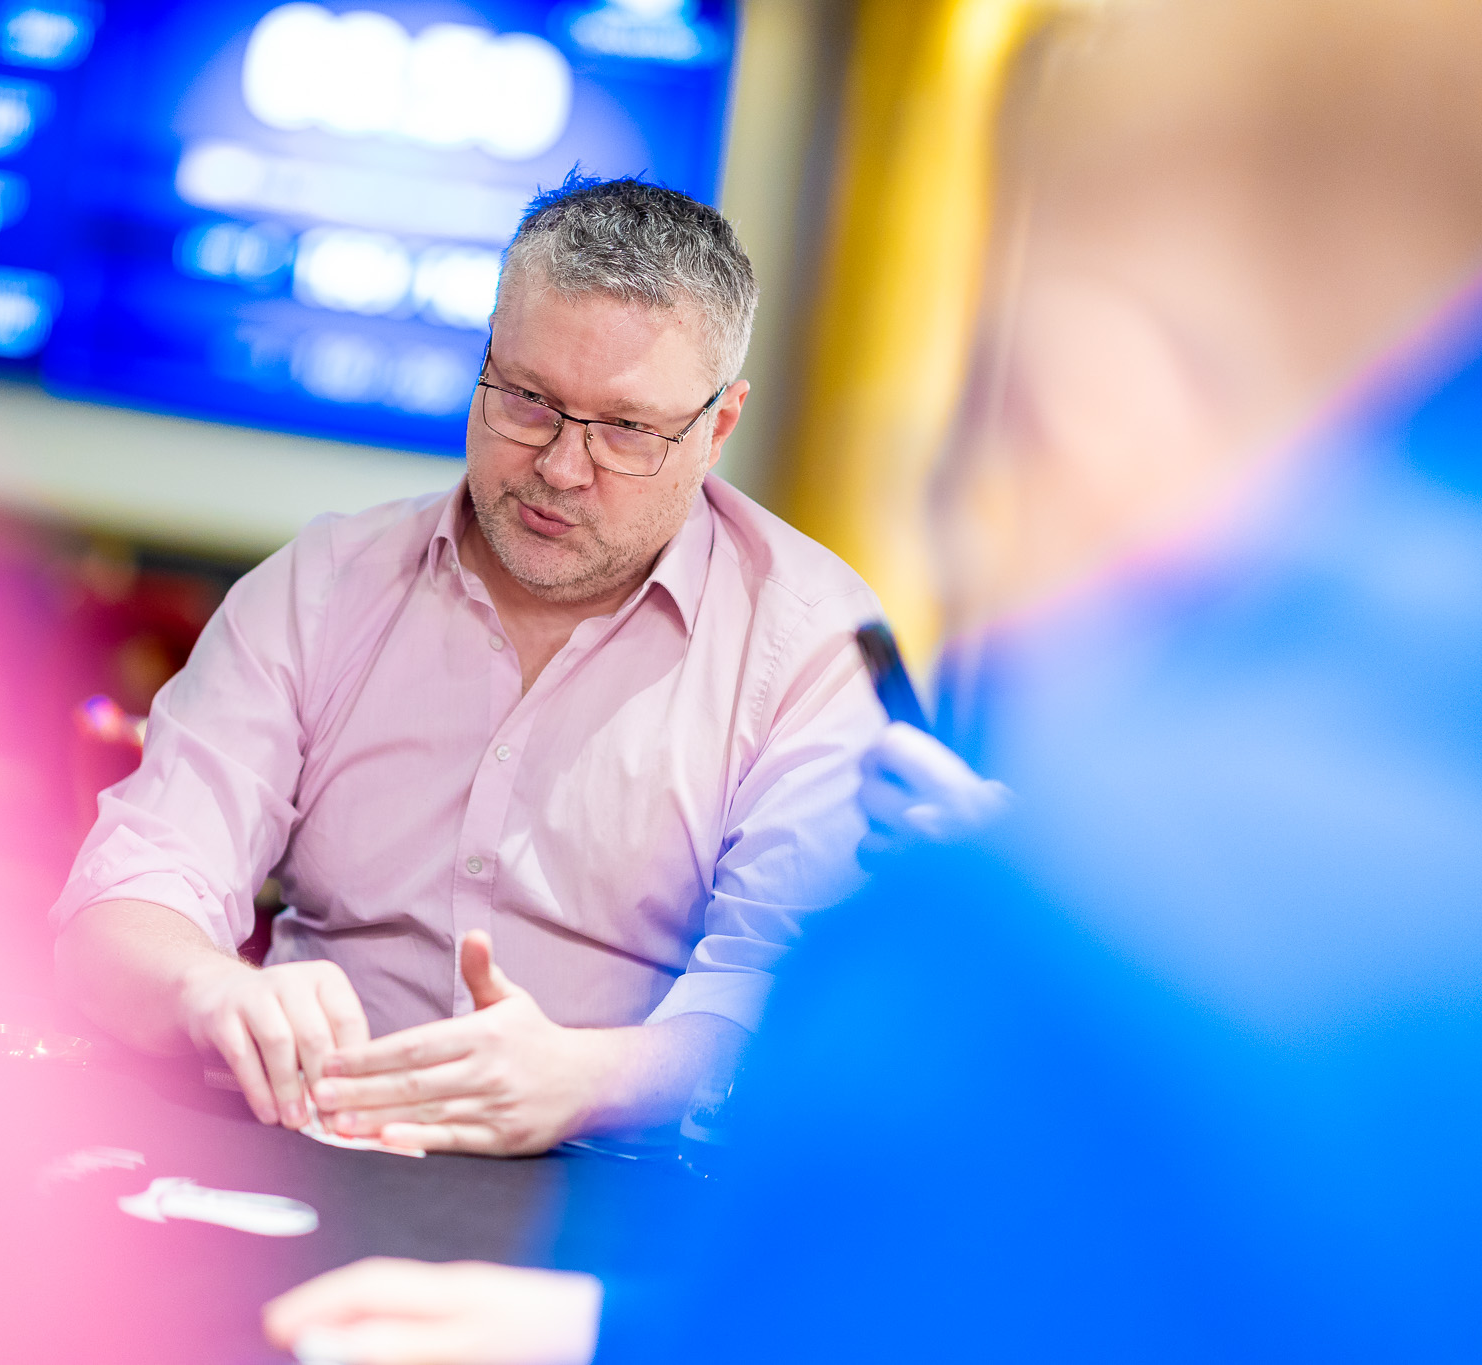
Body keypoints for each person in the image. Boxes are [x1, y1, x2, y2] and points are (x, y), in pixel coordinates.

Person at [259, 0, 1482, 1357]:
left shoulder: (1051, 949)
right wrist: (614, 1329)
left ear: (1087, 407)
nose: (562, 462)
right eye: (529, 400)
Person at [55, 176, 885, 1155]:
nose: (560, 469)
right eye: (527, 400)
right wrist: (208, 987)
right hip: (310, 1140)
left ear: (717, 427)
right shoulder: (324, 588)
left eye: (626, 430)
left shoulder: (810, 645)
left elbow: (794, 998)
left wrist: (585, 1080)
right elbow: (125, 900)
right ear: (485, 361)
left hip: (617, 1183)